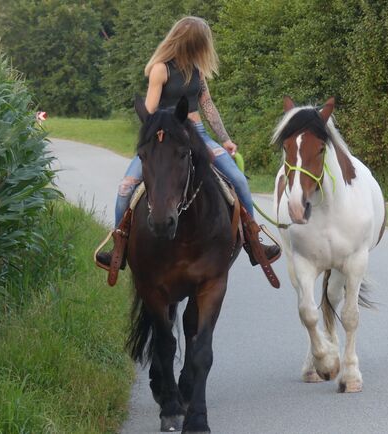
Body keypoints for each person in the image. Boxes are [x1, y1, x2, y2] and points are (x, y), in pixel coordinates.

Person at [96, 16, 280, 269]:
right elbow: (149, 111)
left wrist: (225, 139)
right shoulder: (161, 69)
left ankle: (252, 240)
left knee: (237, 180)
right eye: (201, 44)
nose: (203, 50)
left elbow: (207, 105)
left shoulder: (197, 70)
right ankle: (120, 245)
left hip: (198, 134)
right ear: (189, 42)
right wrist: (159, 133)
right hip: (166, 137)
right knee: (125, 189)